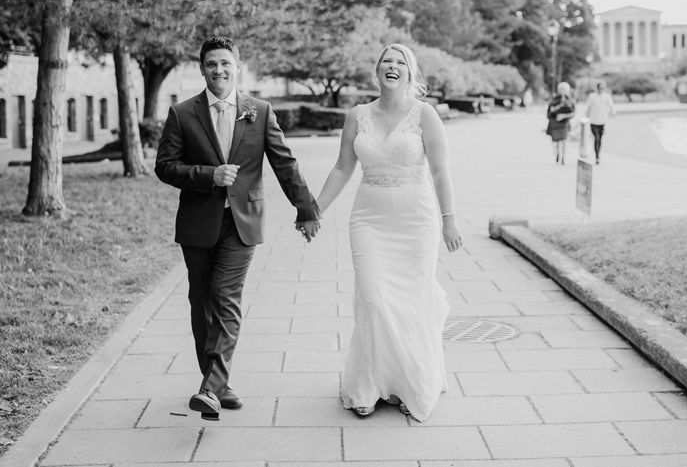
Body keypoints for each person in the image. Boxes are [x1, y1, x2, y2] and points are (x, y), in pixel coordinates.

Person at [154, 36, 321, 421]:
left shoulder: (259, 111)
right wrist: (209, 175)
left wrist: (306, 209)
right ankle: (218, 384)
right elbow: (165, 167)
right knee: (201, 303)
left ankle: (209, 389)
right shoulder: (182, 113)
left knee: (225, 297)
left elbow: (285, 163)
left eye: (226, 63)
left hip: (242, 221)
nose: (219, 70)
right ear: (202, 69)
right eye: (212, 64)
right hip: (198, 223)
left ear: (238, 66)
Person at [314, 43, 462, 422]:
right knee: (373, 297)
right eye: (386, 62)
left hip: (416, 221)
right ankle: (367, 384)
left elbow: (441, 171)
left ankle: (404, 382)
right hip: (369, 220)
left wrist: (449, 218)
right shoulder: (357, 115)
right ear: (376, 72)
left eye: (400, 62)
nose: (392, 66)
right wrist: (314, 208)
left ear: (411, 74)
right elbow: (342, 169)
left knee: (409, 301)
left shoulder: (424, 114)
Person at [585, 81, 616, 165]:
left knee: (600, 139)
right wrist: (586, 118)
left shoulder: (607, 96)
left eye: (602, 88)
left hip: (602, 121)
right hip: (593, 121)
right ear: (597, 88)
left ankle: (598, 153)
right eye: (599, 88)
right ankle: (597, 156)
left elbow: (611, 105)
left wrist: (613, 112)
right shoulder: (592, 97)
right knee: (596, 138)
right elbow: (588, 108)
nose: (601, 90)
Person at [546, 81, 575, 165]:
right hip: (555, 123)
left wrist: (563, 116)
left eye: (564, 89)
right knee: (558, 141)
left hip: (564, 123)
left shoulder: (570, 100)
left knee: (564, 140)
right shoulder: (555, 99)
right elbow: (550, 111)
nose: (562, 91)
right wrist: (559, 106)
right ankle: (558, 153)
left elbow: (573, 112)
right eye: (561, 89)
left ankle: (563, 157)